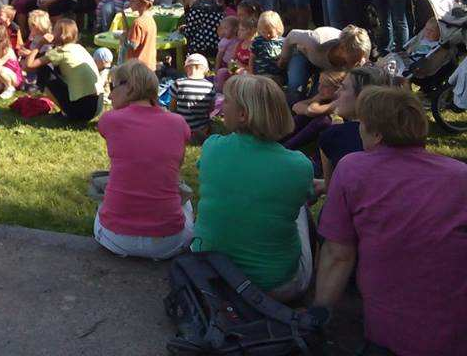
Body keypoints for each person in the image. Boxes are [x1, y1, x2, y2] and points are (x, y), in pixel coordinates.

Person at [314, 87, 467, 356]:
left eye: (362, 122)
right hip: (452, 324)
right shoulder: (459, 174)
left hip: (391, 331)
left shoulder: (353, 169)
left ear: (377, 133)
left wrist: (318, 313)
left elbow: (338, 254)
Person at [192, 75, 316, 301]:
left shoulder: (212, 147)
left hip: (208, 274)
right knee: (300, 209)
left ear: (243, 115)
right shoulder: (299, 165)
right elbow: (308, 197)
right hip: (273, 286)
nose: (220, 106)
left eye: (226, 101)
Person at [94, 60, 192, 259]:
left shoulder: (109, 120)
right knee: (184, 197)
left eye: (113, 87)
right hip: (169, 242)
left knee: (102, 192)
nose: (110, 94)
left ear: (129, 86)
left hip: (116, 239)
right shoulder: (179, 123)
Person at [25, 18, 102, 123]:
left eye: (54, 30)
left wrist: (40, 44)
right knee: (58, 69)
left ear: (61, 35)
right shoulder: (79, 47)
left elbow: (28, 65)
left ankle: (66, 112)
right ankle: (68, 109)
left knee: (43, 70)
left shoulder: (60, 52)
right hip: (97, 107)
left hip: (83, 111)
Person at [279, 24, 371, 104]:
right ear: (342, 48)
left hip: (326, 68)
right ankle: (290, 115)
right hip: (303, 55)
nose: (358, 62)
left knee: (320, 97)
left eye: (361, 58)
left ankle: (305, 120)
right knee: (296, 87)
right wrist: (284, 59)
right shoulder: (315, 41)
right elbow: (292, 35)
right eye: (355, 57)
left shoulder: (359, 57)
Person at [169, 53, 216, 141]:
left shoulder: (178, 83)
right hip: (202, 125)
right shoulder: (210, 86)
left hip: (181, 125)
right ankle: (199, 132)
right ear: (205, 70)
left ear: (186, 69)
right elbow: (211, 108)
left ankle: (186, 133)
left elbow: (172, 107)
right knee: (208, 123)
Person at [121, 0, 157, 70]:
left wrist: (123, 36)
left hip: (137, 69)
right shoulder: (150, 20)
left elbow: (132, 46)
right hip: (149, 66)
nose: (130, 1)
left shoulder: (138, 22)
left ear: (142, 1)